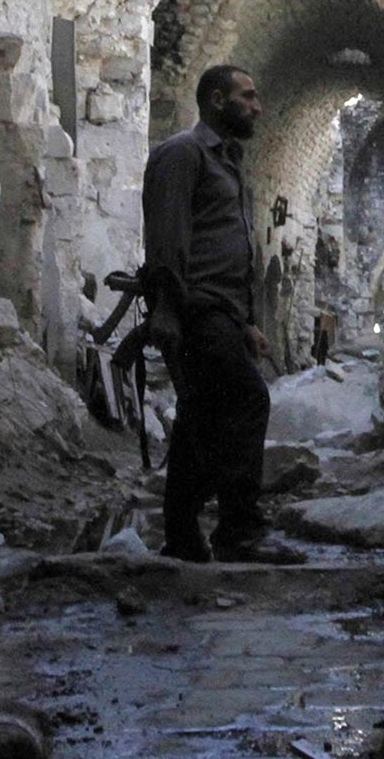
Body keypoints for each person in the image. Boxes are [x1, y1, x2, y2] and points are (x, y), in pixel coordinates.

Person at [141, 65, 301, 564]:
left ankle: (183, 535)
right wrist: (165, 311)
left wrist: (248, 321)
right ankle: (239, 529)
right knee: (247, 402)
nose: (257, 107)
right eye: (248, 97)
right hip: (198, 310)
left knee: (200, 420)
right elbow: (168, 239)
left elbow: (231, 249)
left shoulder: (227, 160)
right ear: (216, 100)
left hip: (223, 313)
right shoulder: (182, 155)